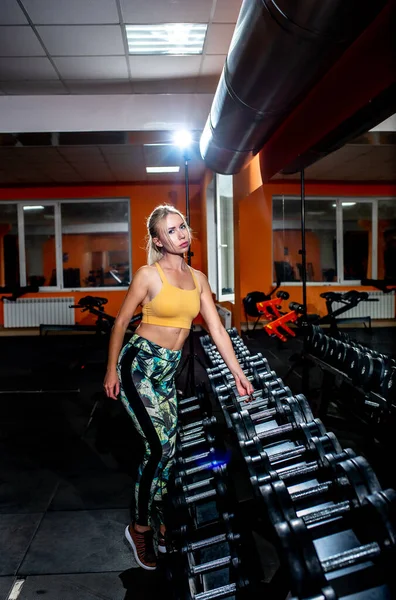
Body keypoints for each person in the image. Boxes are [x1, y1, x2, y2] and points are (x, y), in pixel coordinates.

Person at [103, 204, 254, 571]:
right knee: (158, 448)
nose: (181, 233)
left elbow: (217, 328)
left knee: (169, 450)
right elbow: (121, 322)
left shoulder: (199, 278)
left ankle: (157, 519)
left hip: (168, 370)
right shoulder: (147, 275)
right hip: (138, 366)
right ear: (158, 240)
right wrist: (111, 371)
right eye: (171, 230)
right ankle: (139, 528)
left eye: (182, 226)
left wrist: (237, 371)